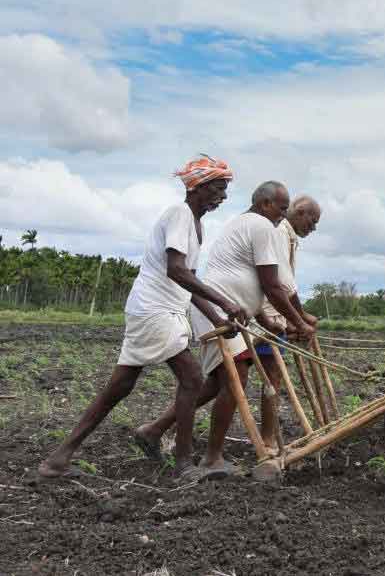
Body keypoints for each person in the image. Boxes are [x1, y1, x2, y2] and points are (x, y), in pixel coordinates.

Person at [39, 155, 247, 478]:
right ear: (197, 187)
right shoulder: (179, 214)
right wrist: (225, 302)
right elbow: (176, 270)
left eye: (224, 189)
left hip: (160, 309)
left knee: (120, 385)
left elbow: (189, 282)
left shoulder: (196, 225)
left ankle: (57, 460)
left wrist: (218, 318)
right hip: (155, 309)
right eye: (218, 188)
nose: (223, 196)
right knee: (193, 379)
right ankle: (184, 464)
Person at [136, 180, 313, 479]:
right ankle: (212, 457)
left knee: (218, 383)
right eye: (282, 208)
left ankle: (154, 430)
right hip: (218, 312)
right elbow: (273, 285)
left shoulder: (244, 224)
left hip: (228, 311)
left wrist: (264, 319)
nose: (284, 215)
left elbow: (247, 280)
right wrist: (299, 322)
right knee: (235, 380)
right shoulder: (261, 226)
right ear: (265, 204)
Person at [251, 195, 321, 447]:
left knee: (268, 374)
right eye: (312, 222)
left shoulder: (287, 235)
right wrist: (300, 318)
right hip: (266, 316)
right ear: (300, 212)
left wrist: (298, 318)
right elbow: (282, 283)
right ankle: (268, 441)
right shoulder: (280, 232)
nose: (313, 228)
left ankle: (268, 438)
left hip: (271, 313)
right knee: (270, 375)